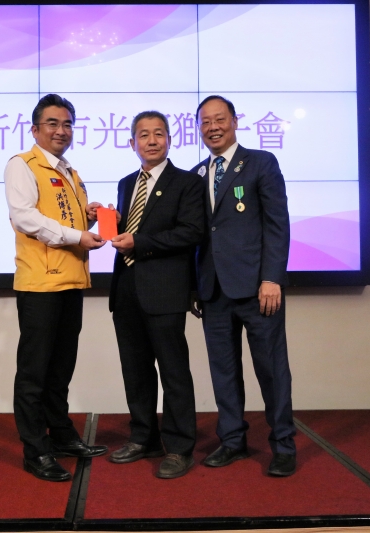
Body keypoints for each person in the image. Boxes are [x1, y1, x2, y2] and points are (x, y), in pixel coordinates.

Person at [191, 95, 297, 476]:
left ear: (235, 121)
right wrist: (194, 286)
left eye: (220, 119)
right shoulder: (197, 173)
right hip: (213, 291)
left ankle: (283, 445)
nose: (213, 127)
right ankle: (232, 440)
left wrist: (272, 278)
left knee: (272, 370)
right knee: (223, 371)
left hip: (257, 289)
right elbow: (197, 235)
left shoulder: (261, 163)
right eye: (205, 122)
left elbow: (277, 224)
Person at [4, 94, 108, 482]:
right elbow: (25, 218)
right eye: (52, 123)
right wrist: (78, 235)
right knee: (34, 372)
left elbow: (66, 222)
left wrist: (88, 218)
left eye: (67, 124)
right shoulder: (22, 165)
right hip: (40, 284)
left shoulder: (70, 172)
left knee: (60, 369)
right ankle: (36, 450)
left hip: (70, 280)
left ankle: (62, 436)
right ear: (35, 129)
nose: (61, 130)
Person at [107, 111, 205, 479]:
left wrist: (139, 241)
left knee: (174, 372)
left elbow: (191, 232)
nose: (151, 140)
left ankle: (179, 447)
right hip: (126, 288)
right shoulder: (126, 183)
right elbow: (131, 227)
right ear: (132, 142)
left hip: (164, 291)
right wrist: (108, 220)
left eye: (159, 134)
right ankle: (143, 438)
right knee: (135, 371)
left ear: (169, 139)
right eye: (144, 135)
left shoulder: (187, 182)